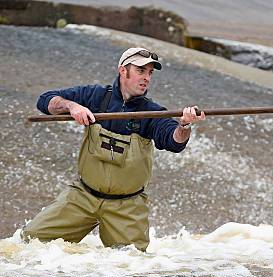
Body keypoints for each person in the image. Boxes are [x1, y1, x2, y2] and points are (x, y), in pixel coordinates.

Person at [22, 47, 205, 251]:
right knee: (29, 242)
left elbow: (174, 142)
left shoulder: (152, 112)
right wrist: (72, 107)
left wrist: (184, 125)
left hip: (127, 207)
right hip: (82, 196)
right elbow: (45, 100)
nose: (146, 78)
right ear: (123, 70)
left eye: (150, 73)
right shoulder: (95, 96)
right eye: (140, 71)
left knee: (131, 267)